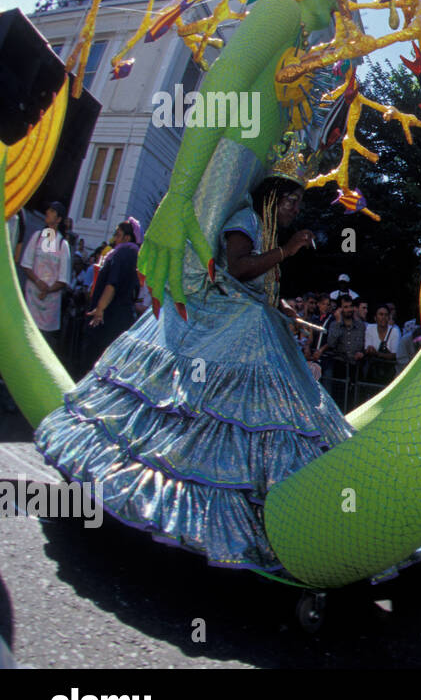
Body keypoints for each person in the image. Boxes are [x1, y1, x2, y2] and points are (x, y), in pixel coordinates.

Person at [34, 171, 343, 574]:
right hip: (218, 324)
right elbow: (239, 267)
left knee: (237, 415)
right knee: (193, 411)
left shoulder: (260, 225)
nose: (295, 210)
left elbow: (251, 283)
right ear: (272, 199)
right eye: (291, 202)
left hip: (240, 323)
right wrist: (289, 250)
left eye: (299, 205)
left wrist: (279, 305)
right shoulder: (246, 220)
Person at [83, 218, 142, 371]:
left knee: (96, 362)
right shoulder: (133, 254)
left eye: (117, 235)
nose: (114, 239)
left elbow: (112, 284)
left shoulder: (122, 252)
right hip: (121, 316)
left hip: (109, 318)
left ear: (127, 238)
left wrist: (100, 308)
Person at [19, 200, 72, 343]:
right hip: (32, 298)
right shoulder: (37, 237)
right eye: (48, 210)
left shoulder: (62, 244)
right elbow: (26, 264)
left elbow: (63, 278)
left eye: (53, 211)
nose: (48, 212)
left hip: (49, 305)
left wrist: (47, 289)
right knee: (25, 336)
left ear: (59, 219)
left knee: (42, 341)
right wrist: (38, 281)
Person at [363, 303, 401, 383]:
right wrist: (369, 350)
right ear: (375, 317)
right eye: (381, 314)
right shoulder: (369, 328)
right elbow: (366, 349)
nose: (383, 317)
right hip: (372, 372)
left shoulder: (395, 331)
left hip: (388, 373)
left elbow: (395, 354)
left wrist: (377, 353)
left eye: (386, 315)